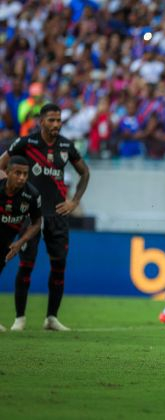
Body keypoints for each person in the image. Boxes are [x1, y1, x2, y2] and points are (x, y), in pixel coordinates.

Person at [0, 103, 90, 331]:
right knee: (26, 265)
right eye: (52, 120)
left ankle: (51, 317)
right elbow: (1, 164)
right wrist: (12, 192)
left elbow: (85, 172)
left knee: (59, 265)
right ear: (41, 121)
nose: (56, 125)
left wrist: (75, 201)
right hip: (31, 215)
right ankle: (19, 318)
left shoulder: (66, 146)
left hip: (57, 214)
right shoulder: (26, 143)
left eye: (59, 120)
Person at [0, 156, 43, 332]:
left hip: (9, 235)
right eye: (17, 173)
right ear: (7, 172)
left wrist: (20, 242)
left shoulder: (32, 194)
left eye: (25, 174)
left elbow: (36, 222)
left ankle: (20, 317)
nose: (22, 177)